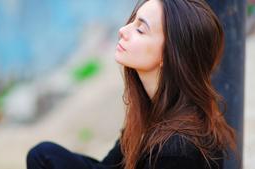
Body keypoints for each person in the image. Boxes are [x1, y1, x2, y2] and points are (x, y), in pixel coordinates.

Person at [26, 0, 237, 169]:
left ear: (169, 54)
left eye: (140, 30)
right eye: (133, 21)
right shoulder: (155, 110)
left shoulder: (177, 149)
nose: (122, 29)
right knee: (45, 155)